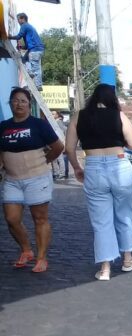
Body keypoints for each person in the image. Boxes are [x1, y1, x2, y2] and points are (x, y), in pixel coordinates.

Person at [65, 84, 132, 281]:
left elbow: (69, 148)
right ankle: (127, 259)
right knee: (125, 215)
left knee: (101, 221)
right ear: (112, 98)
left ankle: (105, 269)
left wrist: (76, 168)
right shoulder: (119, 115)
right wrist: (118, 141)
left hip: (93, 167)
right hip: (119, 165)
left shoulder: (78, 117)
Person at [0, 87, 64, 273]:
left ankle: (41, 257)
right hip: (12, 180)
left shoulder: (38, 125)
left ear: (29, 104)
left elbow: (58, 147)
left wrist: (46, 161)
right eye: (15, 100)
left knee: (40, 218)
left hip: (37, 178)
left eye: (23, 101)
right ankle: (26, 250)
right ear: (10, 103)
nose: (18, 104)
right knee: (11, 219)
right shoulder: (3, 127)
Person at [8, 13, 45, 90]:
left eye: (18, 19)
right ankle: (30, 72)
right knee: (24, 59)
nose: (18, 22)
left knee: (36, 68)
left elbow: (19, 36)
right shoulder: (28, 27)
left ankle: (38, 85)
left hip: (35, 50)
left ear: (22, 19)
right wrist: (21, 47)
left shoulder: (24, 26)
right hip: (35, 49)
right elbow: (27, 45)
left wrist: (9, 37)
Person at [51, 110, 68, 179]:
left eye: (53, 114)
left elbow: (64, 130)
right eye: (51, 114)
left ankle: (61, 174)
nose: (52, 115)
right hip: (54, 142)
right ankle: (56, 173)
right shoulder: (54, 122)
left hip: (59, 143)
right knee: (54, 159)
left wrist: (64, 142)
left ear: (57, 115)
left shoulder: (58, 122)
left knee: (59, 159)